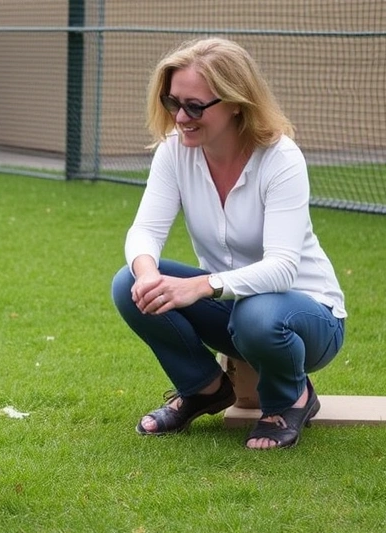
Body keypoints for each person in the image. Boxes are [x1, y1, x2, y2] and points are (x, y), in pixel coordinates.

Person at [111, 37, 346, 450]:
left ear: (237, 102)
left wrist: (198, 286)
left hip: (311, 318)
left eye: (195, 106)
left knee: (257, 312)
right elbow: (144, 231)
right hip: (236, 312)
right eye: (173, 103)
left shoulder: (281, 159)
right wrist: (148, 274)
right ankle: (203, 388)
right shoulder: (173, 154)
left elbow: (283, 268)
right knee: (128, 285)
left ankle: (293, 398)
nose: (181, 117)